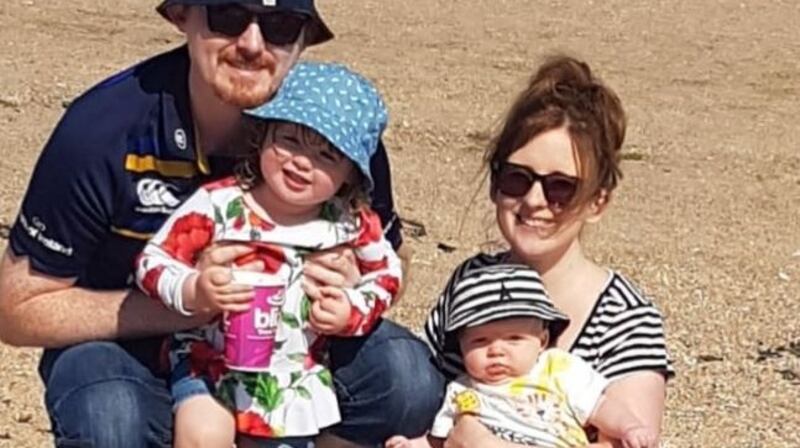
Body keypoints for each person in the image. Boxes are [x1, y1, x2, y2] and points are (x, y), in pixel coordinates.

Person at [0, 1, 444, 447]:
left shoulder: (339, 133)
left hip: (296, 345)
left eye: (280, 25)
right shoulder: (103, 130)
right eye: (228, 16)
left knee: (406, 379)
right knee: (110, 417)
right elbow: (16, 310)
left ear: (304, 38)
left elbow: (392, 262)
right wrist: (192, 302)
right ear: (182, 16)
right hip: (127, 343)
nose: (252, 44)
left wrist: (351, 286)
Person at [136, 61, 402, 448]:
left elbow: (387, 276)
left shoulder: (350, 223)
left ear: (350, 174)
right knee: (204, 434)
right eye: (289, 140)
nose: (301, 162)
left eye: (327, 155)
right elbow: (152, 262)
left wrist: (351, 309)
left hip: (292, 371)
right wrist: (195, 290)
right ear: (262, 136)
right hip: (209, 358)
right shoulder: (220, 203)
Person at [422, 55, 674, 447]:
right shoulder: (471, 281)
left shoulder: (624, 318)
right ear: (495, 184)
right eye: (517, 179)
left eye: (561, 187)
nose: (535, 200)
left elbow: (632, 439)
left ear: (597, 202)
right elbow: (427, 403)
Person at [386, 265, 657, 448]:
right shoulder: (461, 390)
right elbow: (438, 439)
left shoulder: (557, 370)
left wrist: (629, 427)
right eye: (480, 341)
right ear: (462, 346)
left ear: (542, 341)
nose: (496, 350)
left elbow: (598, 406)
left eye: (514, 339)